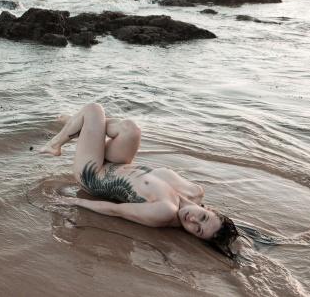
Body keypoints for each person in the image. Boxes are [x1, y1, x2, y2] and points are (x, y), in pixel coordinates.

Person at [40, 103, 239, 258]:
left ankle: (57, 142)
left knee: (94, 110)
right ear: (210, 210)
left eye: (197, 230)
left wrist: (74, 201)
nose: (193, 220)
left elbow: (115, 210)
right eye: (203, 217)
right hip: (118, 163)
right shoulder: (194, 191)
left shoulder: (164, 212)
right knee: (131, 129)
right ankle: (78, 125)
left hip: (93, 175)